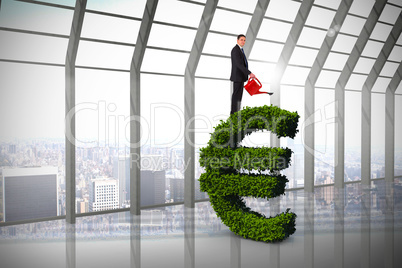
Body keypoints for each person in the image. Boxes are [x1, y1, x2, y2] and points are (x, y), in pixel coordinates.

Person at [230, 34, 255, 115]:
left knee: (239, 97)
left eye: (244, 40)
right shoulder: (235, 50)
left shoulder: (240, 50)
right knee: (236, 96)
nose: (243, 41)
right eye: (241, 40)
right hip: (237, 77)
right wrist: (249, 73)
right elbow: (238, 64)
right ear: (237, 40)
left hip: (240, 77)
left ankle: (237, 112)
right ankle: (234, 113)